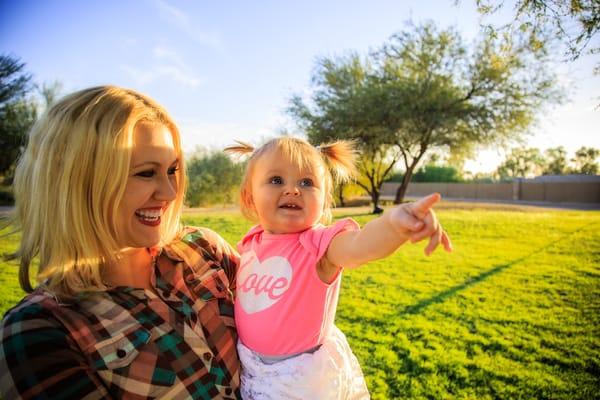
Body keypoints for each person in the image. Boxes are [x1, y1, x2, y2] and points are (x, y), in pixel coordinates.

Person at [0, 86, 241, 399]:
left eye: (172, 170)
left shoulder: (203, 249)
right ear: (76, 182)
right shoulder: (40, 332)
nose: (168, 193)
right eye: (145, 173)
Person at [225, 138, 452, 399]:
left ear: (325, 201)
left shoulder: (318, 244)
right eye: (276, 180)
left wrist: (394, 224)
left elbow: (360, 245)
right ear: (249, 198)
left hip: (301, 380)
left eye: (307, 182)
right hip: (253, 370)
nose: (293, 190)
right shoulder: (250, 243)